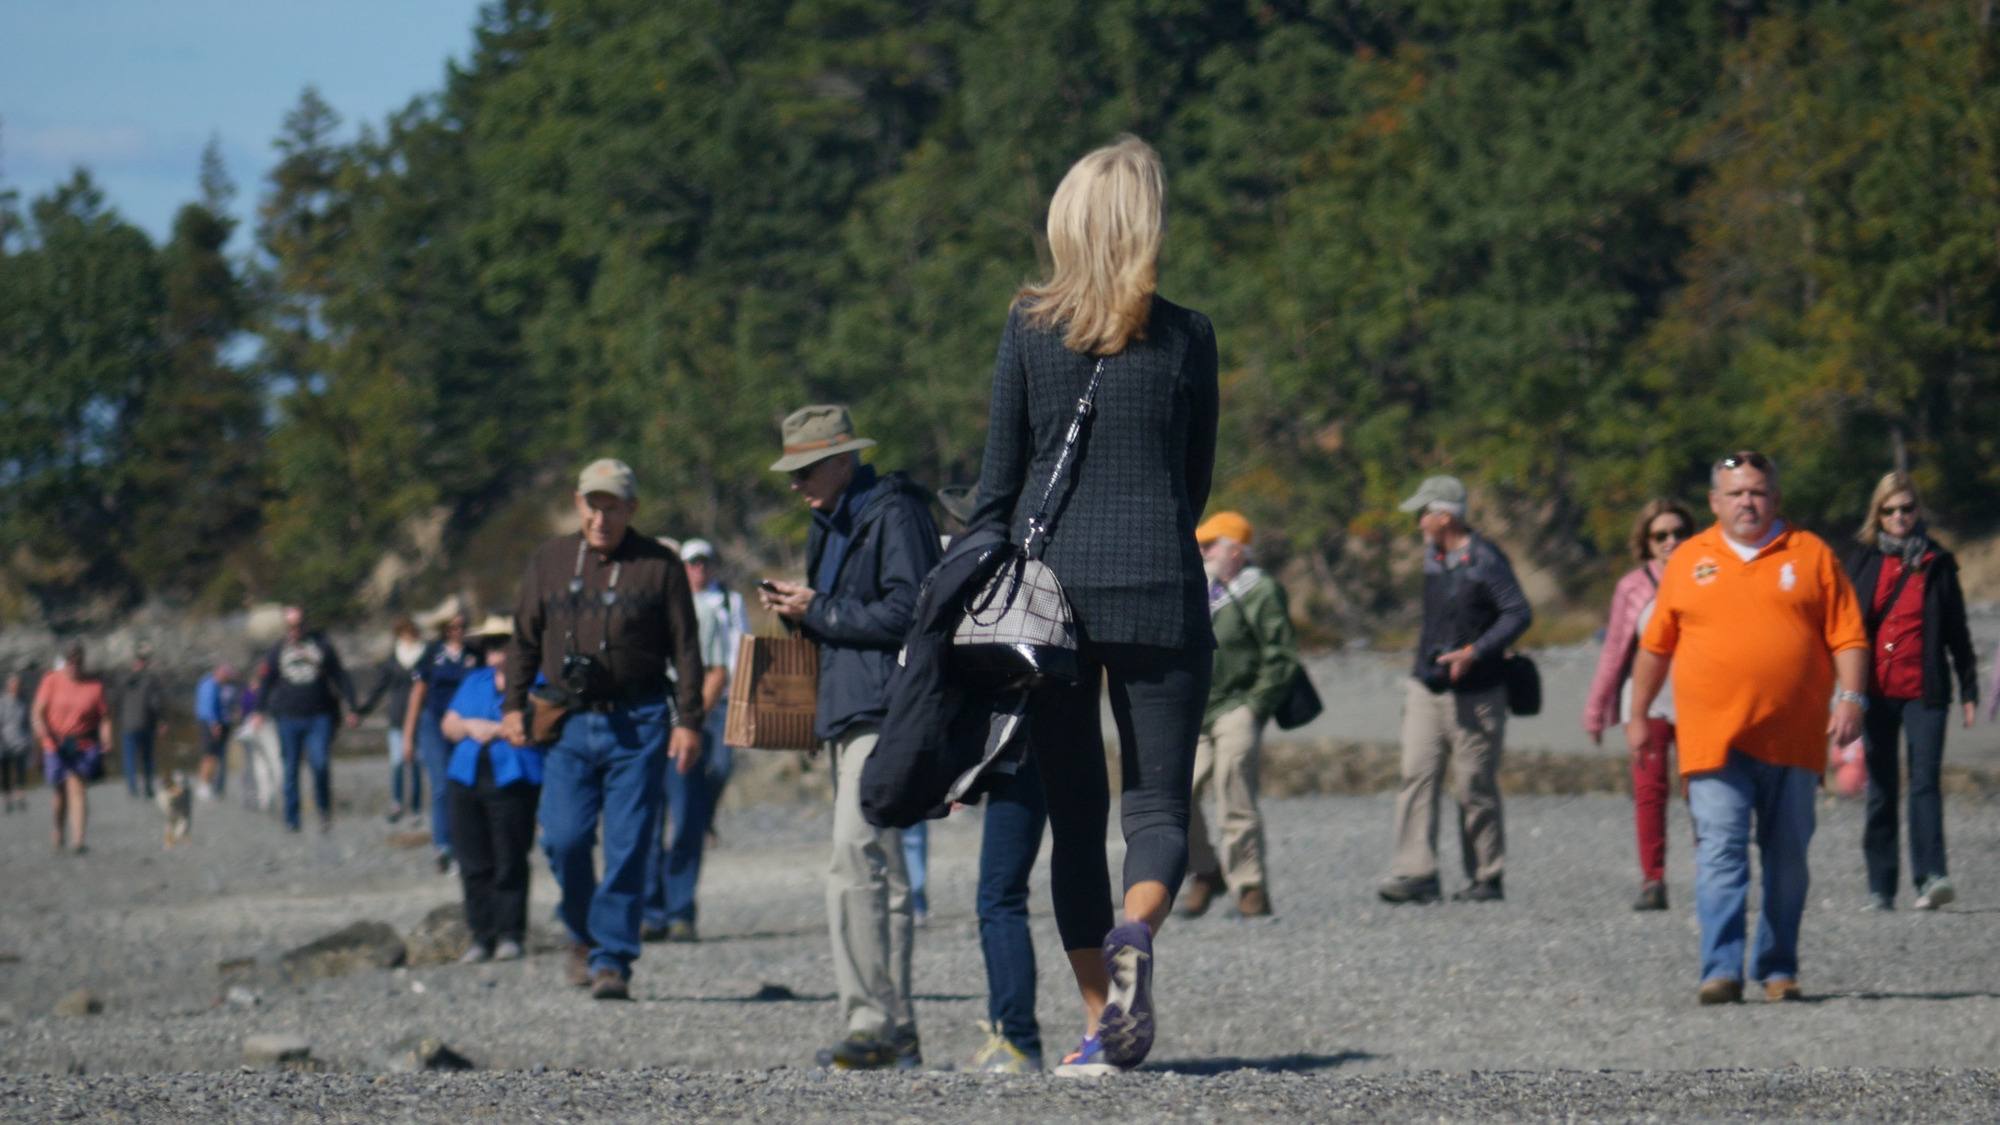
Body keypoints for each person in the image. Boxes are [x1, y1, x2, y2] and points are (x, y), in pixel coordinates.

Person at [965, 135, 1218, 1078]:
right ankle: (1138, 935)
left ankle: (1100, 1027)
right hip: (1161, 584)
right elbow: (1194, 481)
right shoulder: (1189, 335)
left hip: (1050, 605)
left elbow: (997, 485)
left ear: (1069, 218)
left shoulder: (1030, 328)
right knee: (1157, 802)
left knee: (1075, 814)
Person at [1628, 451, 1868, 1004]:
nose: (1747, 502)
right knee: (1720, 851)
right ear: (1715, 502)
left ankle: (1778, 966)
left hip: (1793, 738)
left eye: (1757, 492)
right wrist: (1638, 715)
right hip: (1712, 740)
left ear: (1776, 498)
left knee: (1787, 858)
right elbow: (1655, 647)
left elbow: (1849, 636)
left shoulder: (1811, 555)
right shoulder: (1690, 559)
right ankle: (1721, 969)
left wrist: (1851, 698)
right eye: (1735, 493)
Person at [760, 404, 939, 1068]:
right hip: (849, 709)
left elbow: (914, 611)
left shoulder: (893, 513)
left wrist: (821, 609)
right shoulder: (829, 522)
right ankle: (898, 1028)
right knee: (882, 869)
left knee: (851, 855)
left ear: (843, 460)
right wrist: (801, 611)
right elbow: (855, 617)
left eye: (805, 468)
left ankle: (869, 1021)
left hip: (888, 710)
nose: (795, 482)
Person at [500, 458, 705, 1001]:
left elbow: (687, 649)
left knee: (629, 844)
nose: (601, 517)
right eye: (593, 505)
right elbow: (522, 638)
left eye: (612, 507)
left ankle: (612, 958)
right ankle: (582, 934)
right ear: (578, 504)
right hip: (566, 722)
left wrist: (688, 723)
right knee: (563, 838)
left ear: (631, 509)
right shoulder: (548, 560)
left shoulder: (659, 564)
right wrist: (512, 706)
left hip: (638, 722)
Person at [1377, 476, 1533, 905]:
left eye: (1422, 514)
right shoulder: (1434, 555)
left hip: (1478, 691)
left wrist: (1475, 651)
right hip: (1427, 685)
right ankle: (1415, 873)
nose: (1418, 523)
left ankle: (1486, 875)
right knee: (1415, 774)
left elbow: (1517, 612)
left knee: (1474, 785)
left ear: (1445, 515)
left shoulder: (1485, 560)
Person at [1844, 471, 1976, 912]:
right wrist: (1844, 691)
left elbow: (1957, 632)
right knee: (1881, 788)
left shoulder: (1938, 562)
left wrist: (1970, 689)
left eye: (1906, 508)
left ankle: (1930, 877)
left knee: (1924, 784)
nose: (1899, 516)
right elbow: (1845, 629)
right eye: (1890, 510)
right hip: (1875, 691)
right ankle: (1881, 887)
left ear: (1917, 511)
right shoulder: (1863, 561)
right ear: (1877, 514)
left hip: (1925, 690)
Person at [1177, 511, 1299, 920]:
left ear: (1235, 550)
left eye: (1210, 545)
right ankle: (1207, 870)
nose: (1202, 551)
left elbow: (1280, 655)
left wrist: (1255, 706)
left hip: (1238, 708)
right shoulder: (1204, 590)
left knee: (1235, 796)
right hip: (1198, 711)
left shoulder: (1260, 590)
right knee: (1177, 794)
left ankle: (1250, 887)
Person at [1582, 499, 1697, 911]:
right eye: (1660, 535)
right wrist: (1597, 711)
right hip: (1647, 703)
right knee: (1650, 794)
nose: (1671, 542)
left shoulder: (1706, 576)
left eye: (1678, 533)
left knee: (1704, 794)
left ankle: (1714, 874)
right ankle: (1653, 880)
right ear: (1645, 543)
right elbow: (1614, 651)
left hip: (1700, 704)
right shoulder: (1633, 587)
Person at [642, 537, 744, 943]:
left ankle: (680, 909)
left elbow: (717, 670)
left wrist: (690, 721)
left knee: (685, 820)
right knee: (646, 822)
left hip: (685, 726)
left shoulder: (700, 611)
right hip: (647, 727)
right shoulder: (638, 613)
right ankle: (651, 911)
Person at [442, 616, 540, 963]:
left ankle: (510, 932)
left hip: (513, 776)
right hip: (467, 775)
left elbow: (536, 723)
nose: (493, 650)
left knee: (510, 856)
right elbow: (449, 724)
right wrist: (471, 725)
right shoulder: (474, 681)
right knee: (472, 859)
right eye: (488, 643)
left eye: (501, 642)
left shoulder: (535, 680)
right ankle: (481, 935)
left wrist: (496, 730)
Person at [253, 606, 361, 833]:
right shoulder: (277, 650)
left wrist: (352, 707)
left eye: (299, 625)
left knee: (320, 764)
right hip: (287, 717)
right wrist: (258, 711)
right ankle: (292, 819)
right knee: (290, 769)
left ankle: (323, 811)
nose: (295, 630)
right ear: (285, 627)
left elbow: (340, 676)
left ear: (306, 624)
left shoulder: (322, 646)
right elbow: (266, 681)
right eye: (290, 626)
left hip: (318, 717)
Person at [406, 612, 480, 871]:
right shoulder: (432, 653)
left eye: (463, 625)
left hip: (465, 725)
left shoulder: (475, 654)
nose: (459, 630)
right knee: (441, 785)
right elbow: (418, 692)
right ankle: (442, 845)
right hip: (433, 725)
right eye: (454, 626)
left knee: (464, 782)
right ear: (445, 629)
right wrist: (408, 735)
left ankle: (464, 843)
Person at [32, 641, 111, 854]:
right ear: (64, 662)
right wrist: (39, 729)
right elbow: (38, 712)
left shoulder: (95, 686)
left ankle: (78, 839)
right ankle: (58, 831)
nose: (74, 665)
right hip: (54, 742)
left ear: (83, 662)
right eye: (70, 661)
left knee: (77, 787)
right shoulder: (51, 680)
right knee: (59, 792)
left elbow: (104, 718)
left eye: (78, 661)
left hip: (82, 744)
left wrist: (106, 739)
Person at [359, 617, 426, 824]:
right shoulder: (392, 661)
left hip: (421, 718)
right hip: (397, 717)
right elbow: (378, 688)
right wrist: (362, 710)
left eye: (411, 632)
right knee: (397, 762)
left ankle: (416, 808)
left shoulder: (425, 657)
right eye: (404, 633)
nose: (408, 637)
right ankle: (397, 802)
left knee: (415, 764)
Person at [115, 644, 168, 800]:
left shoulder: (123, 680)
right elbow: (155, 702)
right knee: (146, 757)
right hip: (145, 723)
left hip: (128, 723)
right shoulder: (150, 679)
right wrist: (161, 720)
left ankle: (132, 788)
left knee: (130, 758)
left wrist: (121, 716)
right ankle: (148, 787)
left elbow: (117, 700)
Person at [193, 663, 241, 801]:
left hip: (210, 721)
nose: (227, 680)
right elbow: (208, 706)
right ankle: (204, 785)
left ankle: (209, 784)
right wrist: (214, 725)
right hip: (209, 723)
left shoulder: (209, 682)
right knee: (210, 755)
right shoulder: (211, 684)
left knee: (211, 755)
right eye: (226, 676)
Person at [1, 672, 35, 813]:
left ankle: (19, 796)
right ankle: (7, 798)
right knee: (5, 772)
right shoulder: (2, 703)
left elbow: (27, 723)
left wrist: (29, 740)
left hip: (20, 741)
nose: (15, 687)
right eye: (13, 685)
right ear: (8, 686)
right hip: (4, 741)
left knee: (20, 770)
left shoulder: (24, 704)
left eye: (17, 685)